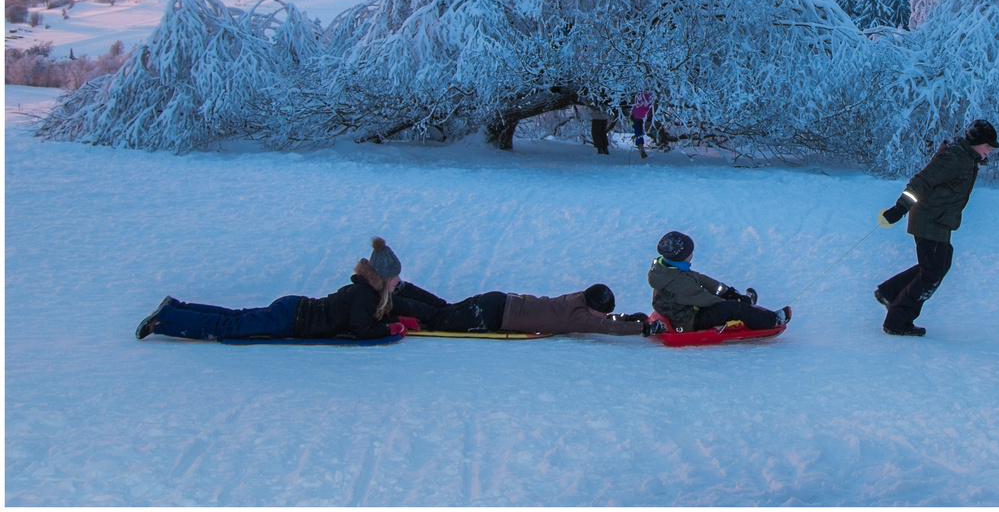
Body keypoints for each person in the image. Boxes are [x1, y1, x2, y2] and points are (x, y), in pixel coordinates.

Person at [135, 237, 446, 342]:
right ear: (383, 278)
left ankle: (176, 308)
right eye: (395, 279)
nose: (398, 283)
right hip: (290, 320)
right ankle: (167, 318)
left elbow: (362, 319)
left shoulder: (367, 291)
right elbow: (361, 329)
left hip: (291, 309)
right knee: (229, 327)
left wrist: (393, 322)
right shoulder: (366, 294)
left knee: (236, 317)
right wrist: (390, 329)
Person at [873, 118, 999, 337]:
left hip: (939, 221)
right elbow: (921, 182)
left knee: (937, 265)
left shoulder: (967, 158)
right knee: (932, 272)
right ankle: (896, 320)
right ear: (977, 142)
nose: (990, 150)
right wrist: (900, 208)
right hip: (928, 220)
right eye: (988, 145)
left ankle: (891, 293)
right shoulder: (953, 158)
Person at [647, 231, 790, 333]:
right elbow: (707, 300)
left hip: (681, 309)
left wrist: (728, 292)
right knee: (733, 309)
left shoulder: (666, 268)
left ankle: (743, 301)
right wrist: (735, 304)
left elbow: (700, 279)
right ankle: (773, 320)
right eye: (690, 252)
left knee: (718, 292)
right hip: (687, 322)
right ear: (683, 256)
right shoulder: (680, 283)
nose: (692, 255)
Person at [427, 283, 651, 336]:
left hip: (497, 300)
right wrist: (643, 329)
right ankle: (395, 303)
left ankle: (402, 290)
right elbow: (603, 326)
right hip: (492, 315)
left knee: (442, 309)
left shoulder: (576, 300)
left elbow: (599, 319)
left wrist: (626, 317)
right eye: (603, 311)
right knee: (436, 319)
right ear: (593, 307)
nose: (604, 315)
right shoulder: (578, 317)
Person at [630, 90, 656, 157]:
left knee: (638, 131)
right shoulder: (651, 93)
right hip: (647, 114)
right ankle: (657, 140)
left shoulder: (637, 93)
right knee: (649, 128)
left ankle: (640, 146)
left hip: (637, 114)